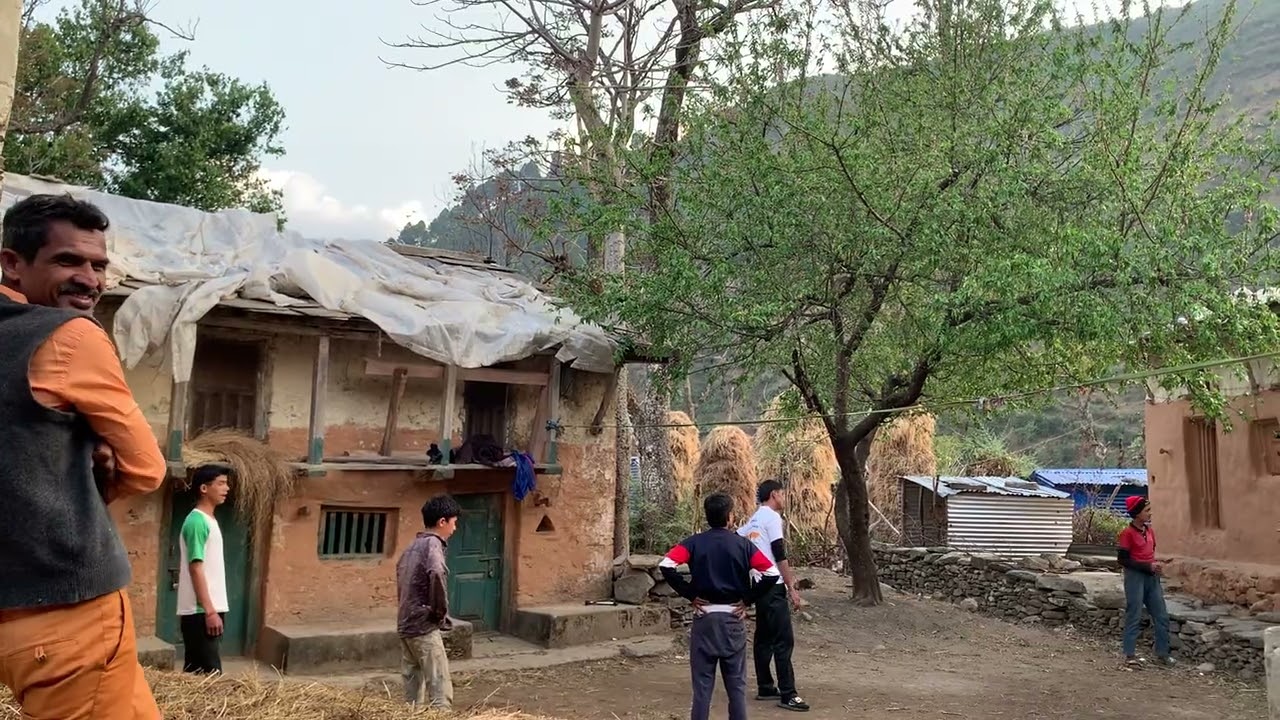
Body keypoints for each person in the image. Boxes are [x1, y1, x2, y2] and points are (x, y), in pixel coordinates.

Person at [0, 193, 167, 719]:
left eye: (98, 265)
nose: (90, 280)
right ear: (12, 262)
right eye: (67, 261)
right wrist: (89, 482)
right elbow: (147, 468)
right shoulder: (68, 336)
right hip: (65, 612)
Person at [660, 493, 781, 720]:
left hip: (704, 617)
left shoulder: (694, 543)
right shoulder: (743, 545)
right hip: (732, 619)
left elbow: (666, 564)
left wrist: (689, 594)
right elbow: (771, 573)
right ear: (730, 517)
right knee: (736, 687)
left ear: (707, 516)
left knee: (702, 688)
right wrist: (747, 599)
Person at [738, 479, 809, 711]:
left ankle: (766, 685)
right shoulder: (772, 518)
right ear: (775, 494)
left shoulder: (753, 520)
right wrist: (791, 587)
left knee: (764, 637)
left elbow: (738, 541)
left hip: (758, 586)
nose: (784, 498)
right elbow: (779, 554)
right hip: (772, 584)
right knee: (783, 640)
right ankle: (788, 693)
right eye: (783, 494)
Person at [397, 493, 461, 709]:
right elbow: (436, 573)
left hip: (406, 625)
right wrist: (439, 614)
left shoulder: (411, 547)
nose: (454, 529)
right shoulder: (433, 544)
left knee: (412, 695)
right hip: (424, 627)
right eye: (454, 523)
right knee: (440, 690)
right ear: (442, 521)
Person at [178, 465, 233, 674]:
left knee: (195, 675)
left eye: (226, 483)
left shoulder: (209, 520)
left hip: (207, 609)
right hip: (201, 611)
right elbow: (196, 568)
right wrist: (209, 611)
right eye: (220, 483)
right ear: (203, 488)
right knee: (210, 675)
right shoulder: (196, 522)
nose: (226, 488)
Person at [1118, 496, 1173, 666]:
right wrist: (1146, 566)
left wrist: (1155, 565)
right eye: (1147, 511)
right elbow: (1123, 560)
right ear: (1136, 513)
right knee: (1134, 613)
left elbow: (1150, 552)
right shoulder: (1127, 534)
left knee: (1161, 615)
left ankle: (1162, 653)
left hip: (1151, 577)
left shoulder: (1149, 531)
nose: (1150, 514)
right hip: (1135, 577)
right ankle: (1130, 655)